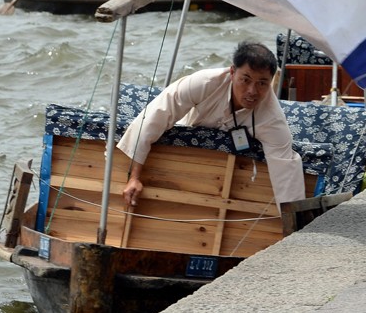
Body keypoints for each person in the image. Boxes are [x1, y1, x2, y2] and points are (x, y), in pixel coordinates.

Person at [117, 41, 306, 210]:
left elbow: (286, 172)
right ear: (232, 72)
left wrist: (293, 234)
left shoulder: (272, 118)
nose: (252, 91)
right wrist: (133, 178)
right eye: (245, 80)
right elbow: (153, 118)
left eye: (262, 83)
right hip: (185, 149)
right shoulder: (203, 82)